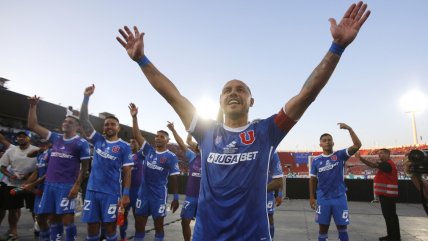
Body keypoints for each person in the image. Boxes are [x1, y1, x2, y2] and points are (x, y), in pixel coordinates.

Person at [117, 2, 370, 240]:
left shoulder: (267, 131)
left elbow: (307, 94)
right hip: (206, 234)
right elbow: (172, 95)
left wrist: (336, 48)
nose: (233, 93)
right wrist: (142, 60)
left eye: (240, 89)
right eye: (227, 90)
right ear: (220, 101)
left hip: (253, 234)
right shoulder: (206, 132)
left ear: (251, 101)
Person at [28, 96, 91, 241]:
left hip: (66, 185)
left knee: (66, 220)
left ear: (78, 127)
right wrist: (32, 107)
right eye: (65, 121)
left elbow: (85, 168)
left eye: (70, 122)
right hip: (49, 185)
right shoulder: (55, 138)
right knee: (42, 218)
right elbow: (33, 126)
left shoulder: (81, 143)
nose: (66, 123)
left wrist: (76, 186)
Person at [79, 85, 133, 241]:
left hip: (111, 193)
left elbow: (128, 171)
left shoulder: (124, 146)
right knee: (92, 226)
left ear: (118, 127)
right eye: (106, 124)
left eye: (112, 124)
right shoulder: (98, 140)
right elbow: (83, 120)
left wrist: (126, 195)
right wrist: (86, 97)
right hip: (92, 190)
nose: (109, 126)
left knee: (110, 227)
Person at [129, 103, 180, 241]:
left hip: (158, 196)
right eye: (157, 136)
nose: (158, 138)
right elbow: (137, 134)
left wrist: (175, 197)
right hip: (143, 194)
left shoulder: (171, 156)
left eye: (162, 137)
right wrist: (134, 117)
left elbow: (175, 178)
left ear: (167, 141)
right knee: (139, 226)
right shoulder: (148, 150)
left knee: (159, 227)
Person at [309, 123, 361, 241]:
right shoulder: (316, 160)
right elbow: (312, 179)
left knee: (342, 229)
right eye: (324, 140)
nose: (327, 142)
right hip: (323, 198)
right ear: (320, 144)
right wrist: (312, 197)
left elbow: (357, 145)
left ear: (333, 143)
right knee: (322, 230)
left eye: (329, 140)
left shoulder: (340, 155)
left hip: (339, 197)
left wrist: (350, 129)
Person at [0, 130, 38, 241]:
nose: (21, 138)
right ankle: (13, 232)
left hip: (31, 185)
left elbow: (41, 166)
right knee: (12, 210)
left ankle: (39, 228)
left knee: (35, 210)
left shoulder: (36, 150)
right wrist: (10, 175)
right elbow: (2, 166)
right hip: (13, 185)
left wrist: (29, 176)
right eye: (19, 136)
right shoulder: (11, 151)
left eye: (24, 136)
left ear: (29, 138)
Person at [356, 149, 401, 241]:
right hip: (386, 194)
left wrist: (360, 158)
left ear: (388, 154)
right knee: (388, 216)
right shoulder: (386, 164)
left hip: (388, 194)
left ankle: (395, 237)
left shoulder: (387, 164)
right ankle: (391, 235)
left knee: (390, 217)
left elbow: (372, 165)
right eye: (378, 153)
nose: (379, 155)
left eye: (382, 153)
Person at [166, 121, 200, 241]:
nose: (200, 146)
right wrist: (173, 130)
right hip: (190, 197)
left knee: (206, 225)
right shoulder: (193, 156)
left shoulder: (212, 158)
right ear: (197, 147)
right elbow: (181, 144)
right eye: (198, 144)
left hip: (206, 198)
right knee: (184, 223)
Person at [22, 139, 52, 241]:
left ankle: (50, 235)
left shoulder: (52, 153)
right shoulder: (40, 154)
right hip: (40, 188)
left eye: (45, 143)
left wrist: (32, 185)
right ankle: (43, 235)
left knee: (46, 216)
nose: (42, 145)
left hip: (49, 188)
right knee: (38, 214)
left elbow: (49, 173)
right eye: (40, 143)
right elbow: (36, 171)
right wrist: (26, 183)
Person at [118, 138, 144, 241]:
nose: (131, 143)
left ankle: (138, 238)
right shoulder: (124, 155)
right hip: (123, 190)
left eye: (134, 141)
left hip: (136, 191)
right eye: (130, 141)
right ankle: (122, 237)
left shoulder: (141, 155)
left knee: (137, 216)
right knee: (121, 215)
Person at [266, 151, 284, 240]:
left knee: (269, 217)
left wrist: (280, 195)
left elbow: (279, 179)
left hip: (268, 193)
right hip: (251, 194)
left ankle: (271, 238)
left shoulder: (272, 155)